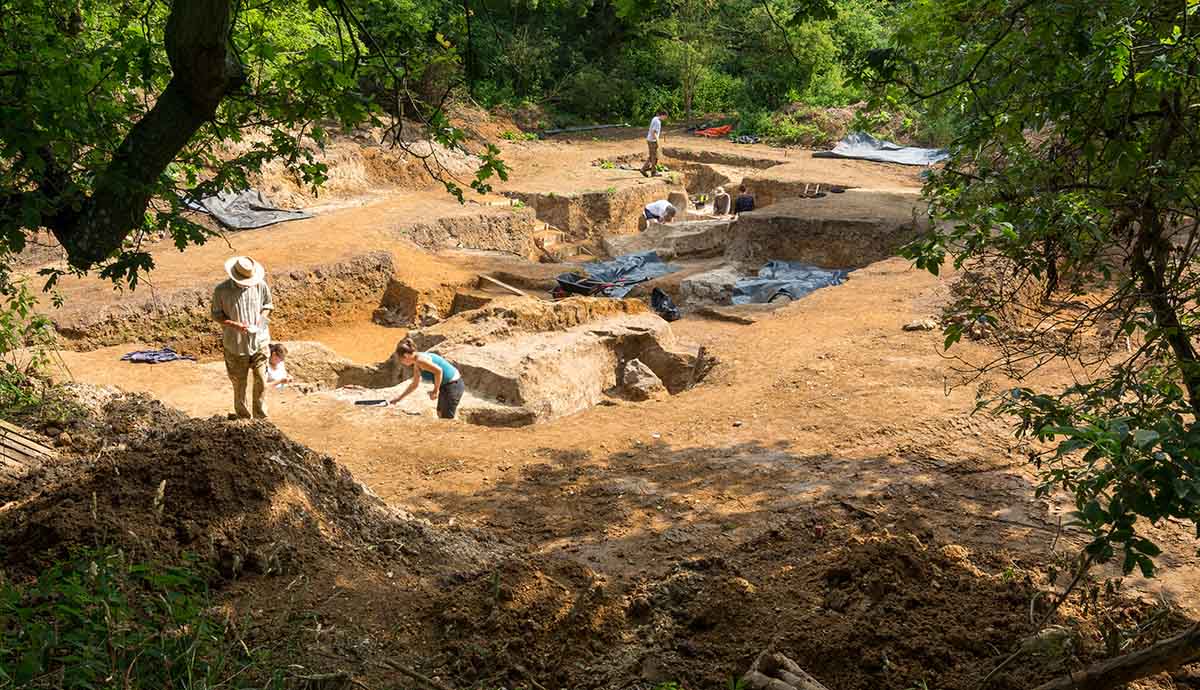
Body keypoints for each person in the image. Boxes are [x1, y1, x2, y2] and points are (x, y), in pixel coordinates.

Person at [211, 256, 273, 419]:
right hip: (236, 345)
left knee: (261, 379)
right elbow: (216, 315)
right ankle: (244, 418)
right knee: (240, 384)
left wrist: (261, 319)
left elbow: (267, 305)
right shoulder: (221, 291)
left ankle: (261, 417)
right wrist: (234, 325)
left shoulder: (260, 284)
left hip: (259, 341)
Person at [388, 338, 465, 419]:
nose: (401, 362)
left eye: (401, 359)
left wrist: (435, 391)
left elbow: (439, 371)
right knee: (440, 413)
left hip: (453, 385)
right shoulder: (417, 362)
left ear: (406, 356)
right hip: (446, 385)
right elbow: (414, 384)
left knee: (447, 418)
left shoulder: (421, 360)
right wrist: (399, 398)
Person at [640, 109, 667, 177]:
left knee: (653, 157)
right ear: (663, 115)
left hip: (650, 140)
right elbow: (654, 132)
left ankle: (652, 171)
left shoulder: (655, 118)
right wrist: (658, 142)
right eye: (665, 117)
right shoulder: (658, 122)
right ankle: (646, 170)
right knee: (653, 157)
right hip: (652, 141)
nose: (665, 119)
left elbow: (654, 130)